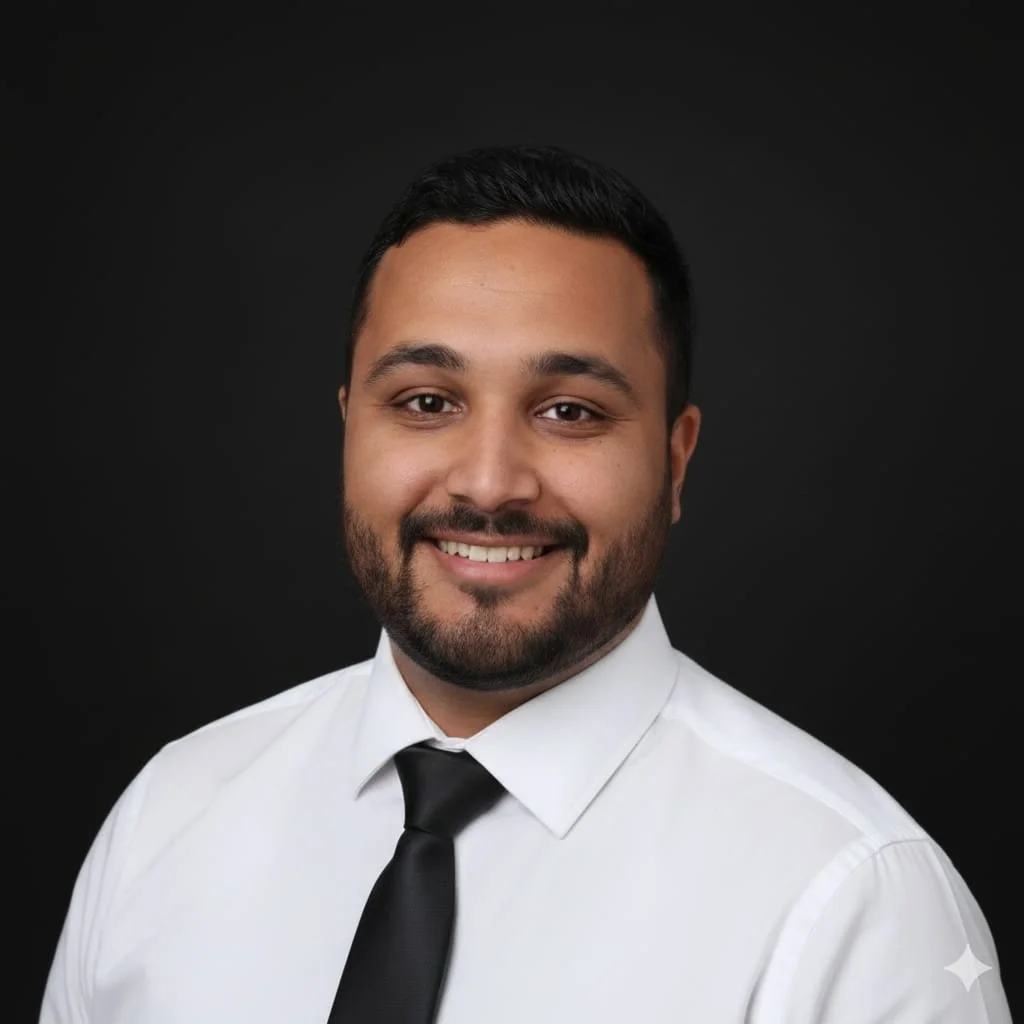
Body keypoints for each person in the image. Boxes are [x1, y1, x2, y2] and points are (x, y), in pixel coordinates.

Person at [41, 144, 1010, 1024]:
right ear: (349, 426)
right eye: (426, 401)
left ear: (676, 460)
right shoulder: (166, 818)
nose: (488, 481)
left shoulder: (854, 906)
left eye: (569, 410)